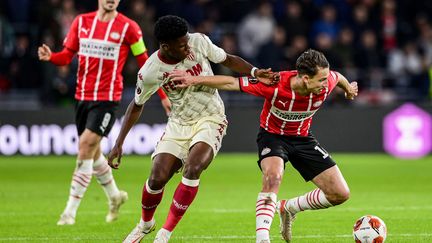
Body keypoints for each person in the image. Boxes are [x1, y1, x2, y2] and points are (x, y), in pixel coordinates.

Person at [107, 15, 273, 243]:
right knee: (157, 178)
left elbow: (228, 59)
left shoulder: (198, 41)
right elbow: (136, 105)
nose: (188, 47)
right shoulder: (150, 72)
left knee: (193, 167)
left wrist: (254, 72)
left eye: (187, 41)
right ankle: (146, 224)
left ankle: (164, 234)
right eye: (182, 44)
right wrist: (118, 143)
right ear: (166, 46)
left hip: (211, 117)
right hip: (178, 124)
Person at [170, 49, 358, 243]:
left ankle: (289, 207)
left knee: (340, 194)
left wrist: (348, 88)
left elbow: (338, 77)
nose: (325, 84)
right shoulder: (275, 84)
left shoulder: (327, 83)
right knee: (273, 177)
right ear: (304, 79)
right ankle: (262, 239)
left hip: (302, 139)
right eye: (320, 80)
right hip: (273, 137)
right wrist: (193, 79)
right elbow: (231, 82)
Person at [37, 0, 171, 226]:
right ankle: (114, 196)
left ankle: (69, 212)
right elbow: (67, 56)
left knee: (86, 145)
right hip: (82, 97)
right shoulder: (81, 23)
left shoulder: (129, 28)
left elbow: (146, 65)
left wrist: (164, 97)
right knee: (93, 151)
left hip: (108, 99)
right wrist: (51, 57)